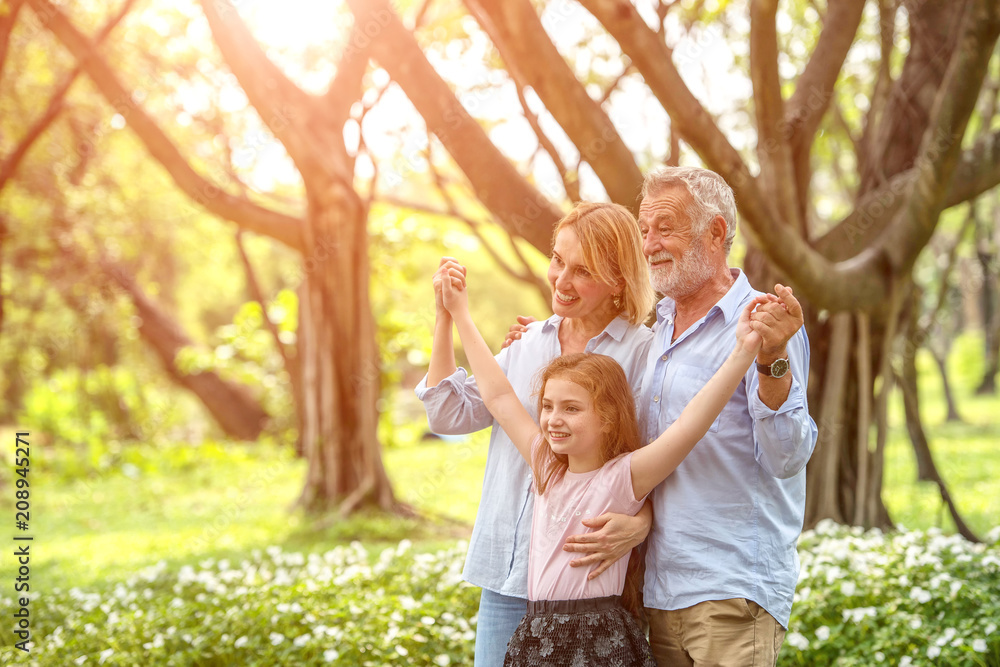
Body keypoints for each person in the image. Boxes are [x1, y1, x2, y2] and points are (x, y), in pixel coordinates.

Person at [506, 167, 819, 666]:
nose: (648, 244)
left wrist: (771, 358)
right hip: (656, 591)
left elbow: (787, 457)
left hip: (729, 585)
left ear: (715, 232)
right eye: (644, 229)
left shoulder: (762, 325)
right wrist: (550, 331)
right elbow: (633, 452)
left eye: (664, 227)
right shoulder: (657, 330)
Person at [435, 251, 768, 666]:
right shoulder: (545, 465)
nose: (554, 420)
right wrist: (458, 313)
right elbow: (499, 395)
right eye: (548, 407)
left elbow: (688, 428)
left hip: (602, 640)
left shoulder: (623, 477)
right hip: (537, 635)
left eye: (572, 409)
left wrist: (741, 352)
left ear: (608, 418)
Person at [416, 203, 657, 666]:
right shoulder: (527, 344)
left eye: (582, 271)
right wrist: (445, 317)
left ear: (619, 280)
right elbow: (448, 416)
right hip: (508, 578)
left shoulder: (643, 356)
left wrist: (642, 522)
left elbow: (653, 462)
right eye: (557, 259)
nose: (561, 280)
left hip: (589, 588)